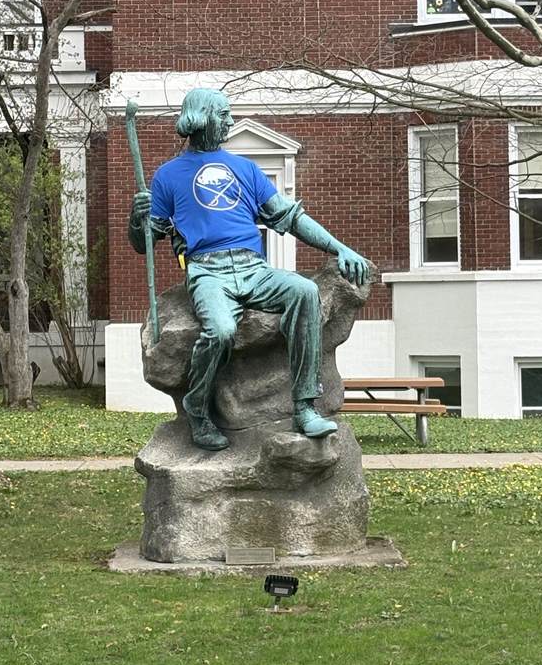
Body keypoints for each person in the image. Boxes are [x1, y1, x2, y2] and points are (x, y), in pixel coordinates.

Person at [129, 88, 371, 451]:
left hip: (253, 267)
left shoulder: (245, 169)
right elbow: (145, 242)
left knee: (305, 292)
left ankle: (305, 406)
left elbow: (291, 218)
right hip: (207, 270)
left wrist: (340, 248)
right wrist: (137, 220)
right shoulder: (168, 176)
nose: (229, 121)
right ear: (201, 119)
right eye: (223, 114)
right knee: (221, 330)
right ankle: (198, 407)